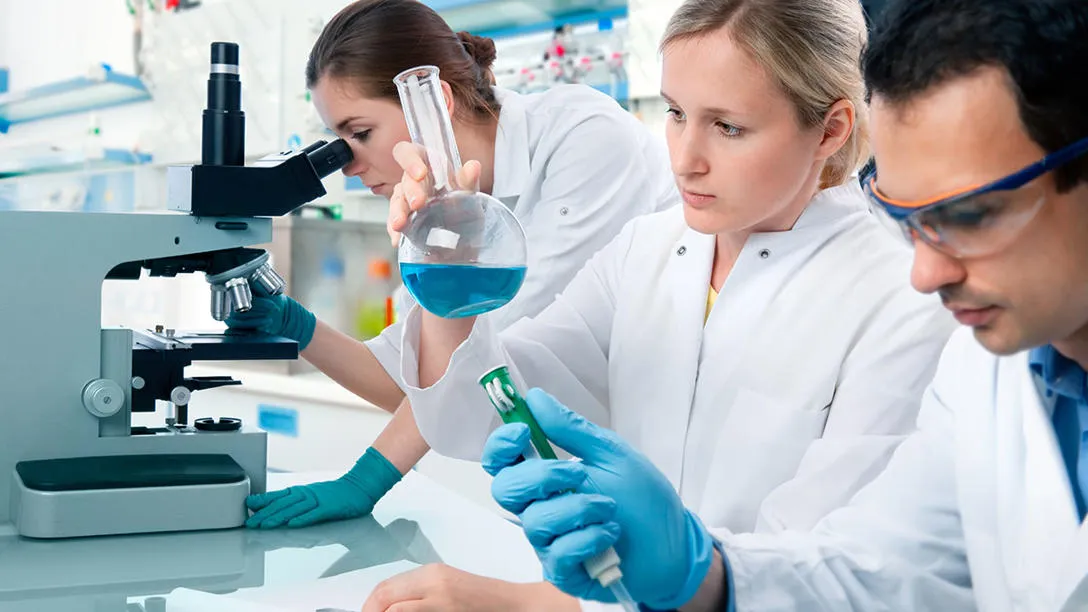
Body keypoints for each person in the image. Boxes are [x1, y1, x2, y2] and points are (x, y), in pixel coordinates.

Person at [482, 0, 1088, 610]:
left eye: (969, 215)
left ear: (830, 129)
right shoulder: (986, 374)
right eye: (906, 218)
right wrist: (704, 578)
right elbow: (880, 569)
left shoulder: (917, 310)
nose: (925, 273)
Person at [361, 0, 955, 609]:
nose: (684, 158)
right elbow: (480, 415)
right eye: (675, 113)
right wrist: (446, 283)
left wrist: (527, 604)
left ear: (830, 129)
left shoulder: (899, 289)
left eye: (728, 127)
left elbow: (830, 575)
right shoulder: (647, 249)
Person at [233, 0, 677, 529]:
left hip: (663, 468)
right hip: (563, 486)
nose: (348, 167)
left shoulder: (581, 137)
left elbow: (486, 364)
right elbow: (422, 385)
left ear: (432, 102)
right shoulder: (432, 218)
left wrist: (367, 478)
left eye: (361, 134)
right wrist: (296, 326)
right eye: (338, 142)